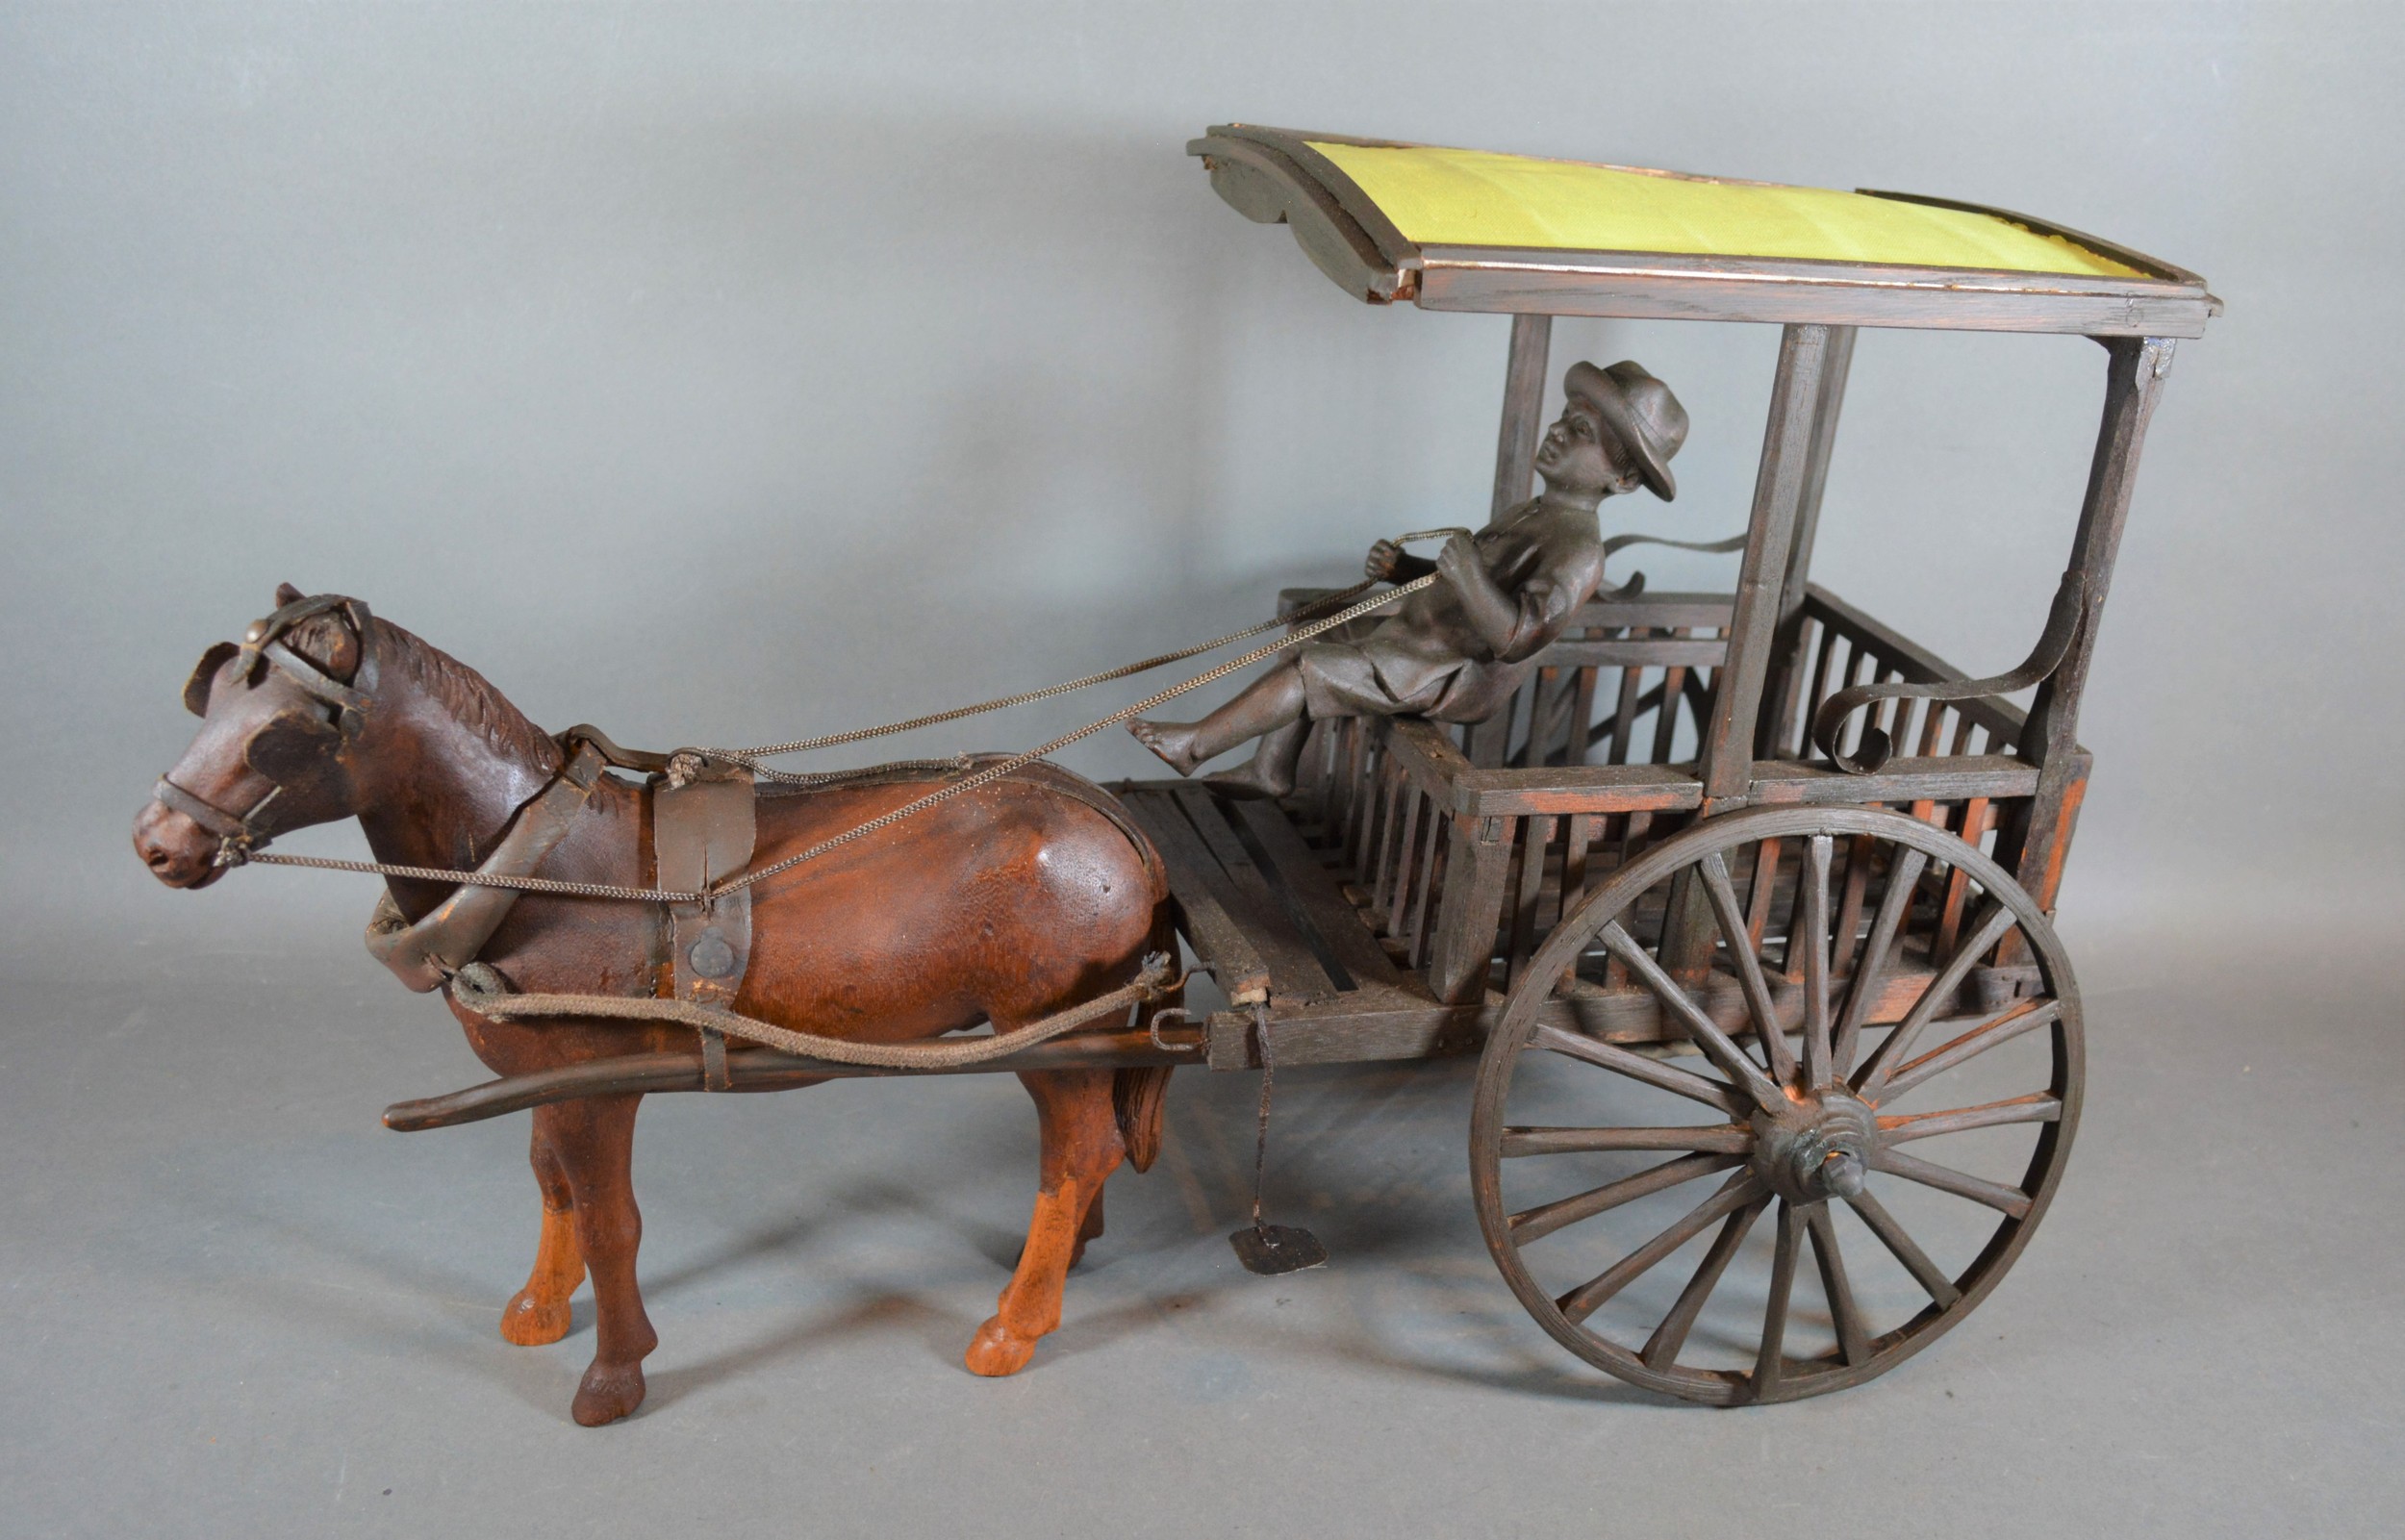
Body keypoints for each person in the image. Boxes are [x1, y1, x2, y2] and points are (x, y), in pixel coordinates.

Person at [1128, 360, 1688, 797]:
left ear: (1622, 478)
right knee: (1308, 642)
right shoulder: (1533, 512)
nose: (1559, 433)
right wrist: (1407, 571)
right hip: (1419, 639)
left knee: (1311, 671)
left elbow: (1517, 639)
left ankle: (1196, 745)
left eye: (1582, 430)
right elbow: (1464, 583)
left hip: (1444, 671)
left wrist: (1468, 574)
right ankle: (1271, 768)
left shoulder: (1580, 550)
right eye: (1566, 418)